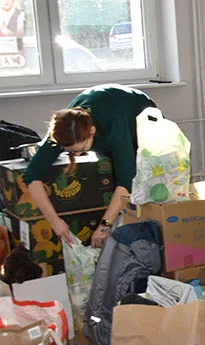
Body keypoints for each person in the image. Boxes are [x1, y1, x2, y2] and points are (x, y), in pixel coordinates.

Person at [24, 84, 156, 248]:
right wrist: (54, 221)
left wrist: (104, 226)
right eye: (70, 152)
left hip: (137, 112)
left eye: (82, 149)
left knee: (140, 183)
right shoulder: (63, 130)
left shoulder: (114, 124)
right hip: (102, 111)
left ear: (92, 132)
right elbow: (31, 175)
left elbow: (126, 182)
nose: (77, 155)